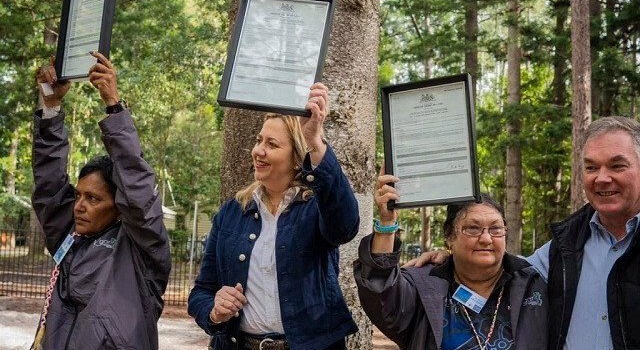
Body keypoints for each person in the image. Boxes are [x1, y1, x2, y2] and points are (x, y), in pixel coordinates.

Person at [407, 116, 640, 350]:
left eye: (617, 165)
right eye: (591, 167)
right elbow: (504, 271)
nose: (601, 178)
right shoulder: (565, 245)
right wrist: (455, 254)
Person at [187, 83, 359, 350]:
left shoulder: (318, 206)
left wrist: (315, 141)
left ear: (295, 158)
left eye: (272, 144)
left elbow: (345, 227)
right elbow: (201, 292)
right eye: (259, 140)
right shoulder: (232, 212)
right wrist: (214, 310)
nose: (258, 150)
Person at [31, 53, 171, 349]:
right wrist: (51, 104)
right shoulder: (68, 234)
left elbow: (137, 186)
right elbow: (49, 184)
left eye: (93, 199)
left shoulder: (140, 250)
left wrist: (113, 104)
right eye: (79, 195)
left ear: (120, 209)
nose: (79, 205)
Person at [354, 170, 547, 350]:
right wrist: (387, 222)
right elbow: (380, 290)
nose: (486, 238)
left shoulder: (534, 283)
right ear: (449, 235)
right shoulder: (423, 286)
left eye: (496, 229)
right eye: (472, 228)